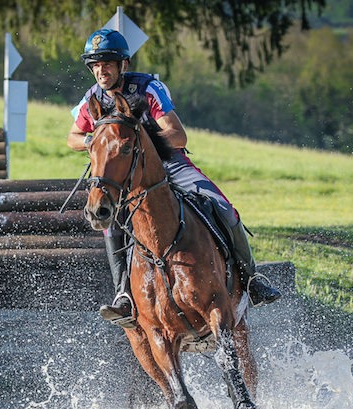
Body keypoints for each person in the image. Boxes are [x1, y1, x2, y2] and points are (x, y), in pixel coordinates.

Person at [68, 29, 281, 329]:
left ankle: (250, 280)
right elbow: (72, 138)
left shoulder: (148, 88)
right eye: (96, 65)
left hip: (169, 163)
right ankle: (123, 296)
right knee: (110, 222)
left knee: (222, 206)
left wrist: (144, 144)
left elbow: (178, 135)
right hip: (127, 175)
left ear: (123, 65)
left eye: (108, 63)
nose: (102, 70)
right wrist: (94, 141)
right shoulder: (93, 98)